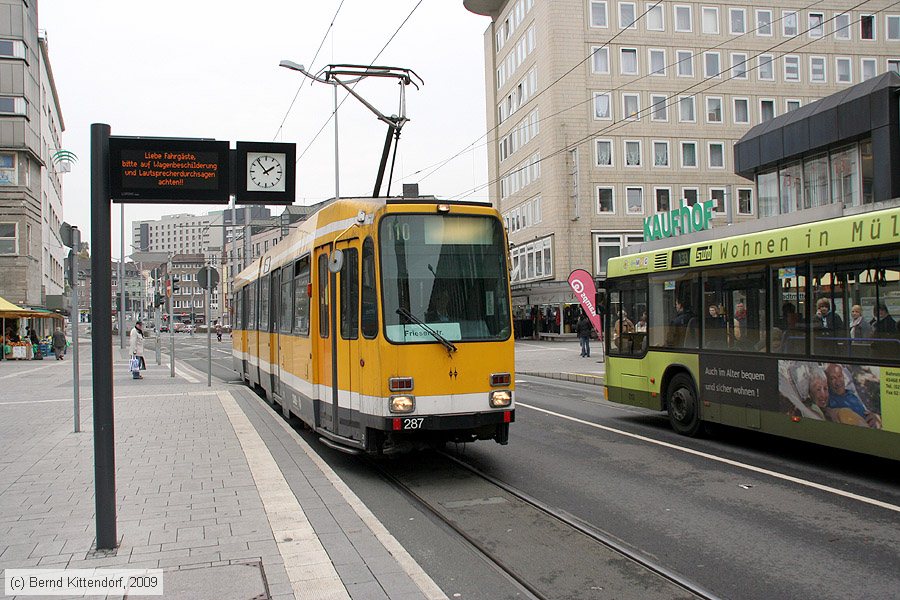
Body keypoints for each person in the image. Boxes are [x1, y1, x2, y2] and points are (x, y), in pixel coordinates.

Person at [824, 363, 881, 428]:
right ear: (827, 381)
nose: (838, 382)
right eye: (832, 378)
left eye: (839, 376)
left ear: (843, 376)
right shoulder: (828, 399)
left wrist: (875, 416)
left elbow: (866, 411)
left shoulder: (851, 394)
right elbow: (827, 412)